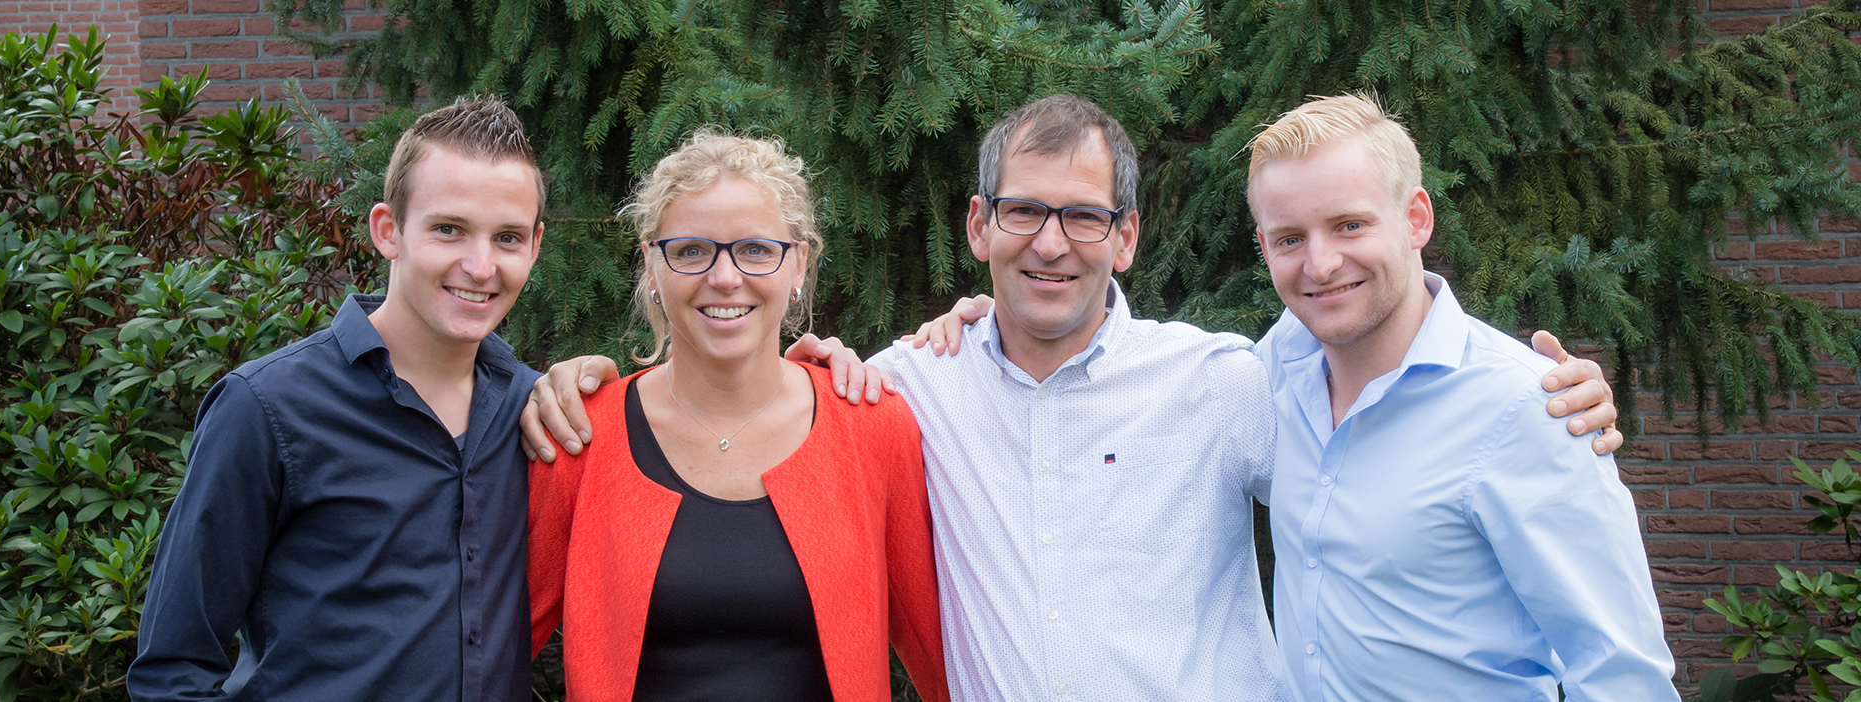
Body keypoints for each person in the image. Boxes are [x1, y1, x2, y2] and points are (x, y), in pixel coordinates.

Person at [523, 96, 1622, 700]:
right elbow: (759, 382)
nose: (1052, 244)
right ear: (977, 226)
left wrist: (1535, 391)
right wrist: (582, 378)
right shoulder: (903, 388)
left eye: (1085, 216)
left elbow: (1376, 417)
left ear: (1127, 237)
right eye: (1024, 212)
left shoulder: (1229, 383)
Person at [1243, 93, 1675, 701]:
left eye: (1349, 225)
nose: (1321, 264)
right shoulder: (1271, 374)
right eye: (1290, 238)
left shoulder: (1529, 408)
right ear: (1265, 246)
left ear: (1416, 218)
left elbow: (1620, 673)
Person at [130, 97, 547, 701]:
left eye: (506, 237)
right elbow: (171, 670)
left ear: (534, 246)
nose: (480, 266)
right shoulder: (266, 409)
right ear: (388, 231)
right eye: (448, 229)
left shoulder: (533, 410)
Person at [523, 131, 949, 702]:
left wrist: (989, 330)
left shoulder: (872, 426)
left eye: (755, 249)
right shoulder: (583, 433)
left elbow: (946, 652)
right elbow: (486, 643)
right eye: (691, 250)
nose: (725, 277)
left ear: (798, 264)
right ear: (652, 265)